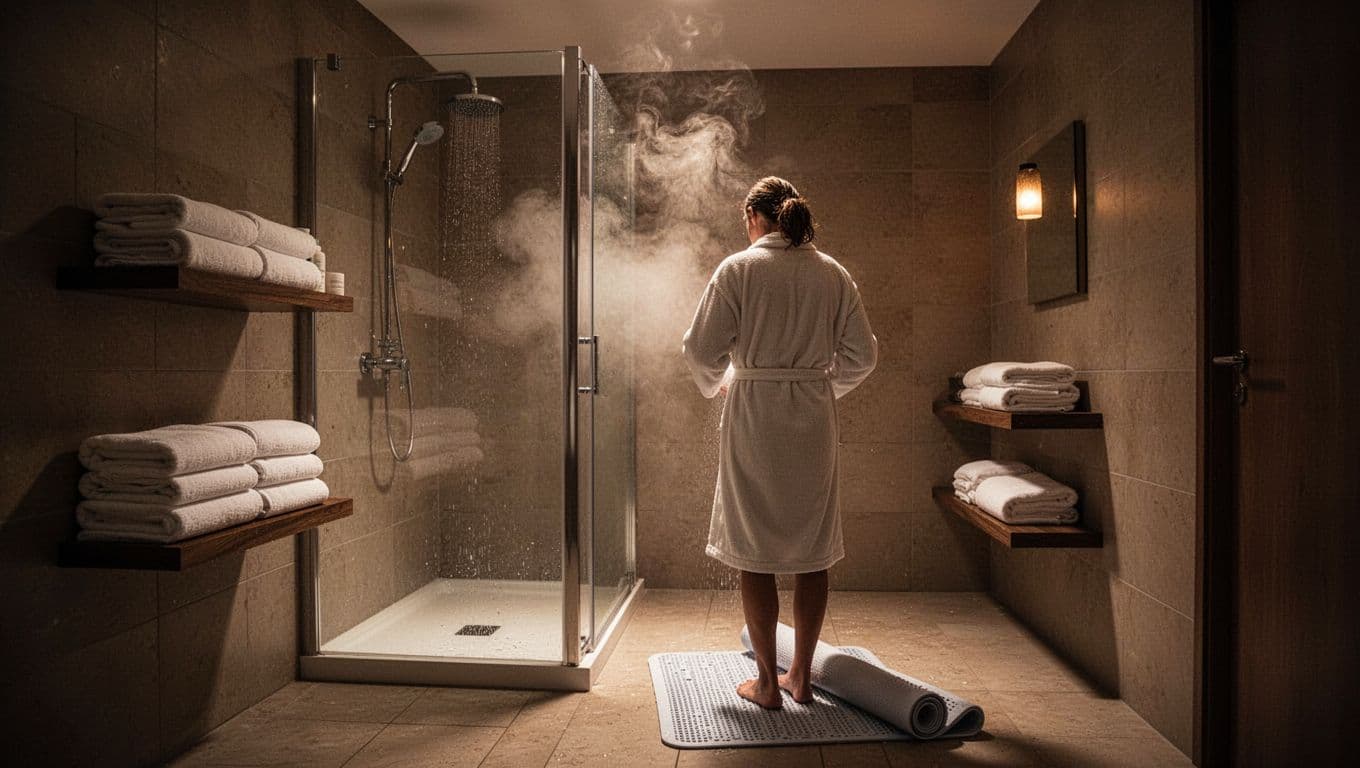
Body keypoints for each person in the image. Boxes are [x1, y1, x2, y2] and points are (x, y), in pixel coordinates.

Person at [682, 176, 878, 709]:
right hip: (813, 422)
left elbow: (700, 349)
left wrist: (727, 380)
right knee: (813, 553)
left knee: (756, 552)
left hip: (755, 419)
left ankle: (768, 683)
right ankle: (802, 678)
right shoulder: (832, 273)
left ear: (754, 217)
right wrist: (817, 385)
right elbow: (863, 356)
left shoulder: (739, 268)